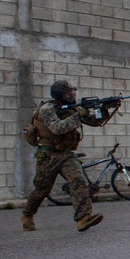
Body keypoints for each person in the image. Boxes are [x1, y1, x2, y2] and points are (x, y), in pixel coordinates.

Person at [21, 80, 115, 232]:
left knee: (78, 181)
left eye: (73, 92)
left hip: (66, 155)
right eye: (68, 93)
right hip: (48, 155)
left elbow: (94, 122)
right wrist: (78, 115)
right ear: (59, 95)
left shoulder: (73, 109)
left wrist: (103, 110)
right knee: (42, 190)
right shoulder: (47, 109)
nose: (72, 95)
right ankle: (27, 214)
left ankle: (83, 218)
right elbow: (57, 128)